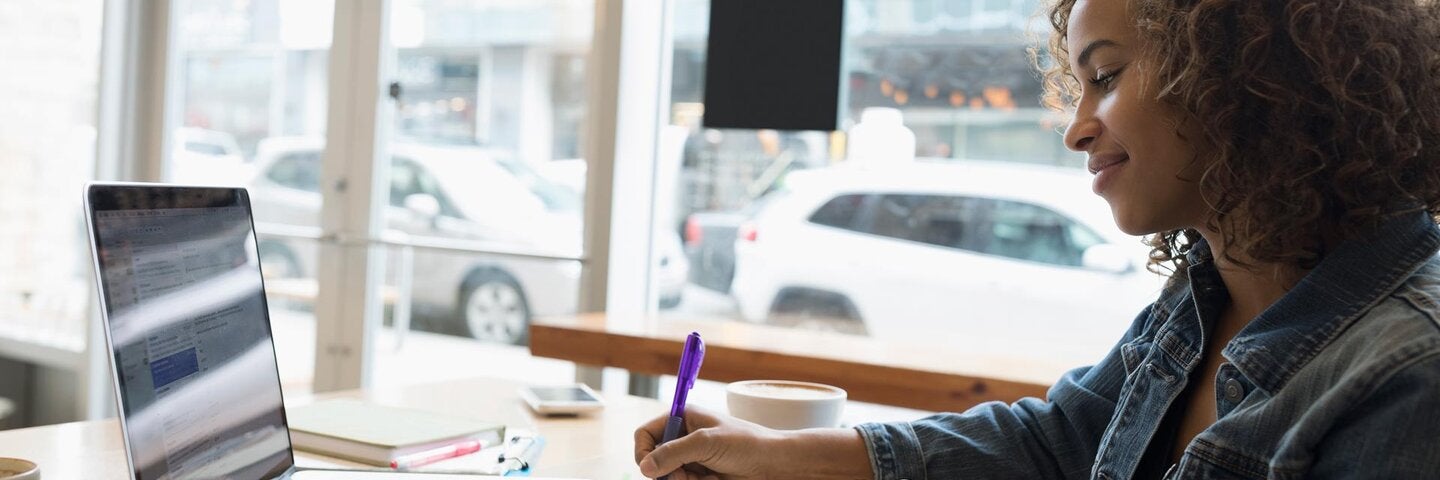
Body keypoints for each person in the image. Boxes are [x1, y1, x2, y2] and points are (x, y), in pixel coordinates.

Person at [633, 0, 1440, 478]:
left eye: (1109, 76)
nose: (1077, 129)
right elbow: (1058, 440)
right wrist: (769, 455)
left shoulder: (1413, 372)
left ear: (1248, 75)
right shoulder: (1201, 300)